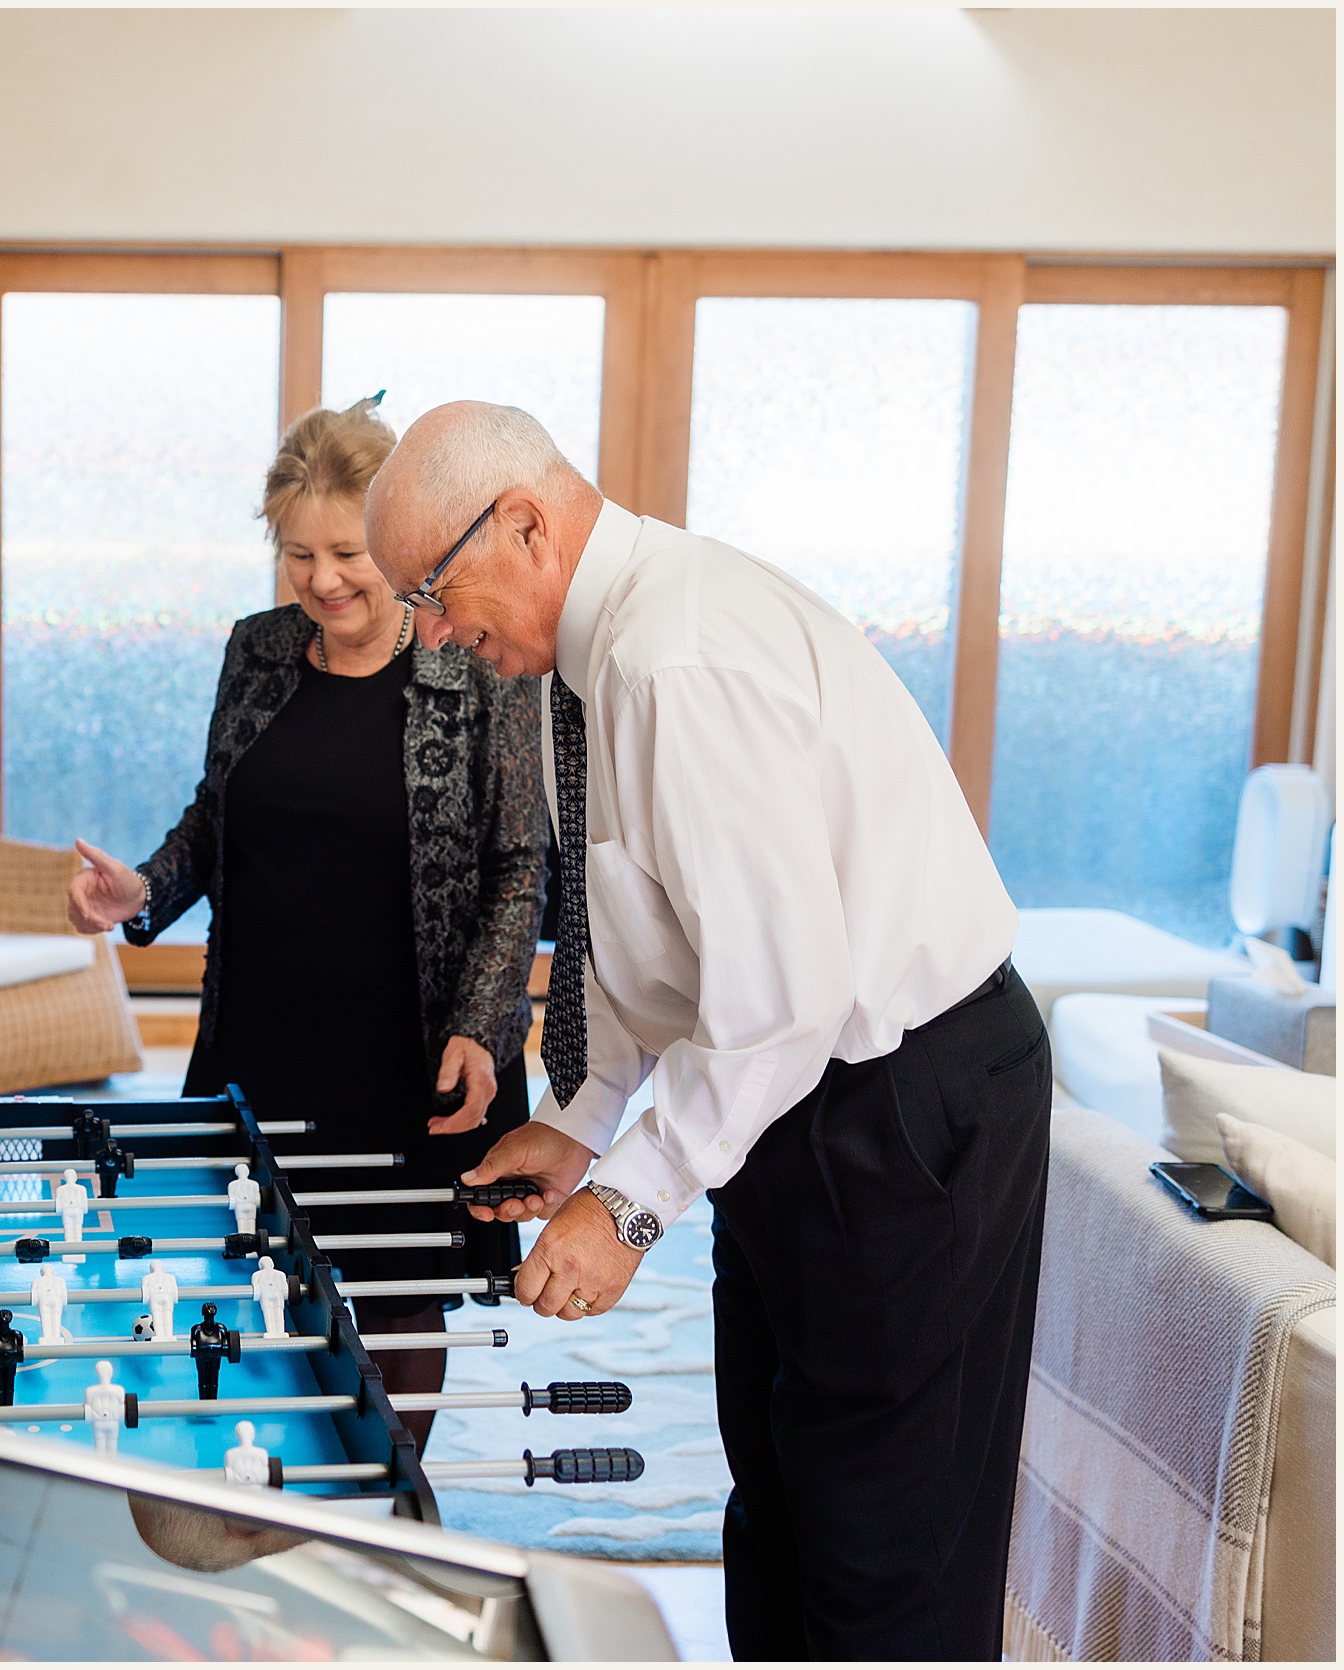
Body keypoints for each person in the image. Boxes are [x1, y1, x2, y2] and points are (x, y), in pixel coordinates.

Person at [362, 401, 1046, 1660]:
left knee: (881, 1538)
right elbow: (649, 931)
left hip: (901, 1102)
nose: (440, 636)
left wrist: (625, 1205)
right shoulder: (593, 657)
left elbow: (781, 991)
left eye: (438, 593)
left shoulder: (673, 657)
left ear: (522, 521)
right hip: (793, 1096)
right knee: (778, 1495)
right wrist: (580, 1126)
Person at [68, 396, 550, 1443]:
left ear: (392, 539)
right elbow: (217, 814)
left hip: (415, 1045)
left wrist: (481, 1019)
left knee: (397, 1288)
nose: (323, 579)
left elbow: (520, 864)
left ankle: (386, 1507)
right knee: (252, 1268)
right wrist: (145, 890)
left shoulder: (469, 662)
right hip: (265, 1031)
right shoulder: (258, 650)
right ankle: (264, 1481)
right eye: (298, 554)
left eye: (346, 551)